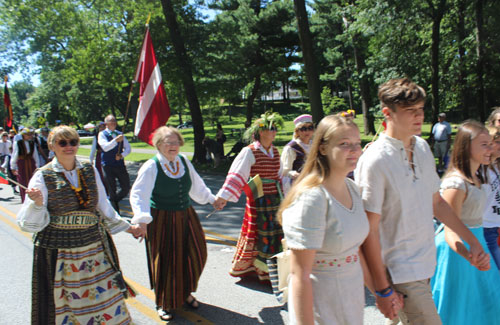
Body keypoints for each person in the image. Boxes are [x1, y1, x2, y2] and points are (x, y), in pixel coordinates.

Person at [354, 78, 486, 323]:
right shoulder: (374, 160)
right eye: (410, 111)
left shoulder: (423, 147)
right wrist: (381, 289)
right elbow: (367, 231)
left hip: (427, 265)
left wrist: (471, 241)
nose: (419, 117)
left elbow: (436, 203)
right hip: (399, 272)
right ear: (387, 113)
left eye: (421, 109)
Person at [16, 126, 139, 324]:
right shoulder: (43, 176)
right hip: (60, 253)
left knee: (106, 299)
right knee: (65, 305)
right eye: (62, 143)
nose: (69, 147)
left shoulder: (89, 169)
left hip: (94, 249)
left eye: (73, 142)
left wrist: (128, 227)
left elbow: (103, 205)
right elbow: (28, 223)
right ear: (52, 145)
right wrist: (37, 204)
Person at [279, 114, 372, 324]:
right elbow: (300, 275)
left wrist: (382, 293)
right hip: (321, 303)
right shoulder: (312, 198)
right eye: (345, 144)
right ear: (322, 148)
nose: (355, 150)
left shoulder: (352, 188)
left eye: (357, 144)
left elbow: (355, 250)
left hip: (351, 298)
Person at [130, 126, 216, 321]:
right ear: (159, 145)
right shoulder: (152, 166)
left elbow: (197, 185)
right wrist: (142, 220)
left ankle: (184, 292)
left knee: (196, 253)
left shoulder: (183, 161)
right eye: (169, 142)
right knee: (166, 260)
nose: (173, 146)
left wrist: (211, 199)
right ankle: (164, 302)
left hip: (186, 215)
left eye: (176, 142)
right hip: (162, 218)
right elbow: (138, 194)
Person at [431, 120, 500, 324]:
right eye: (484, 144)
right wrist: (467, 255)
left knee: (486, 304)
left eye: (491, 143)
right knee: (458, 309)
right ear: (467, 146)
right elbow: (450, 230)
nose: (491, 148)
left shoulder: (475, 177)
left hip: (476, 247)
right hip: (458, 252)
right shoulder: (456, 182)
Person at [214, 112, 284, 281]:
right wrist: (223, 197)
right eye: (270, 128)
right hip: (258, 200)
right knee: (261, 233)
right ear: (261, 132)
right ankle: (263, 271)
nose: (274, 132)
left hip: (275, 199)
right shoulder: (249, 151)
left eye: (275, 129)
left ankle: (273, 268)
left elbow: (281, 177)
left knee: (275, 234)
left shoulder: (275, 151)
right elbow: (237, 175)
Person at [98, 115, 131, 213]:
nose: (114, 123)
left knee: (126, 187)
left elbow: (128, 148)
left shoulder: (120, 134)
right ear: (106, 124)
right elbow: (105, 147)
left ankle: (114, 200)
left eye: (115, 121)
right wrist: (115, 140)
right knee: (111, 188)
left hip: (120, 165)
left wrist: (121, 155)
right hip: (108, 165)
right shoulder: (102, 134)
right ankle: (116, 212)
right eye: (111, 121)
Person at [280, 114, 314, 194]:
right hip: (298, 186)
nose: (307, 131)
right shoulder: (291, 148)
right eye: (303, 129)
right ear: (297, 131)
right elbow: (284, 171)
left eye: (310, 128)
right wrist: (293, 174)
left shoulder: (315, 145)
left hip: (314, 183)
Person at [483, 126, 500, 270]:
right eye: (497, 142)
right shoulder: (482, 169)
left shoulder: (496, 166)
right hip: (485, 228)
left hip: (496, 226)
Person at [11, 127, 40, 202]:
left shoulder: (32, 143)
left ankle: (32, 199)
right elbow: (15, 155)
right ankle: (24, 199)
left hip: (31, 163)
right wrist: (13, 167)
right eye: (28, 135)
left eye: (31, 135)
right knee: (22, 181)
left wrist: (37, 166)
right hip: (22, 164)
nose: (30, 136)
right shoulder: (18, 143)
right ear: (24, 135)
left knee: (32, 181)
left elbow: (35, 154)